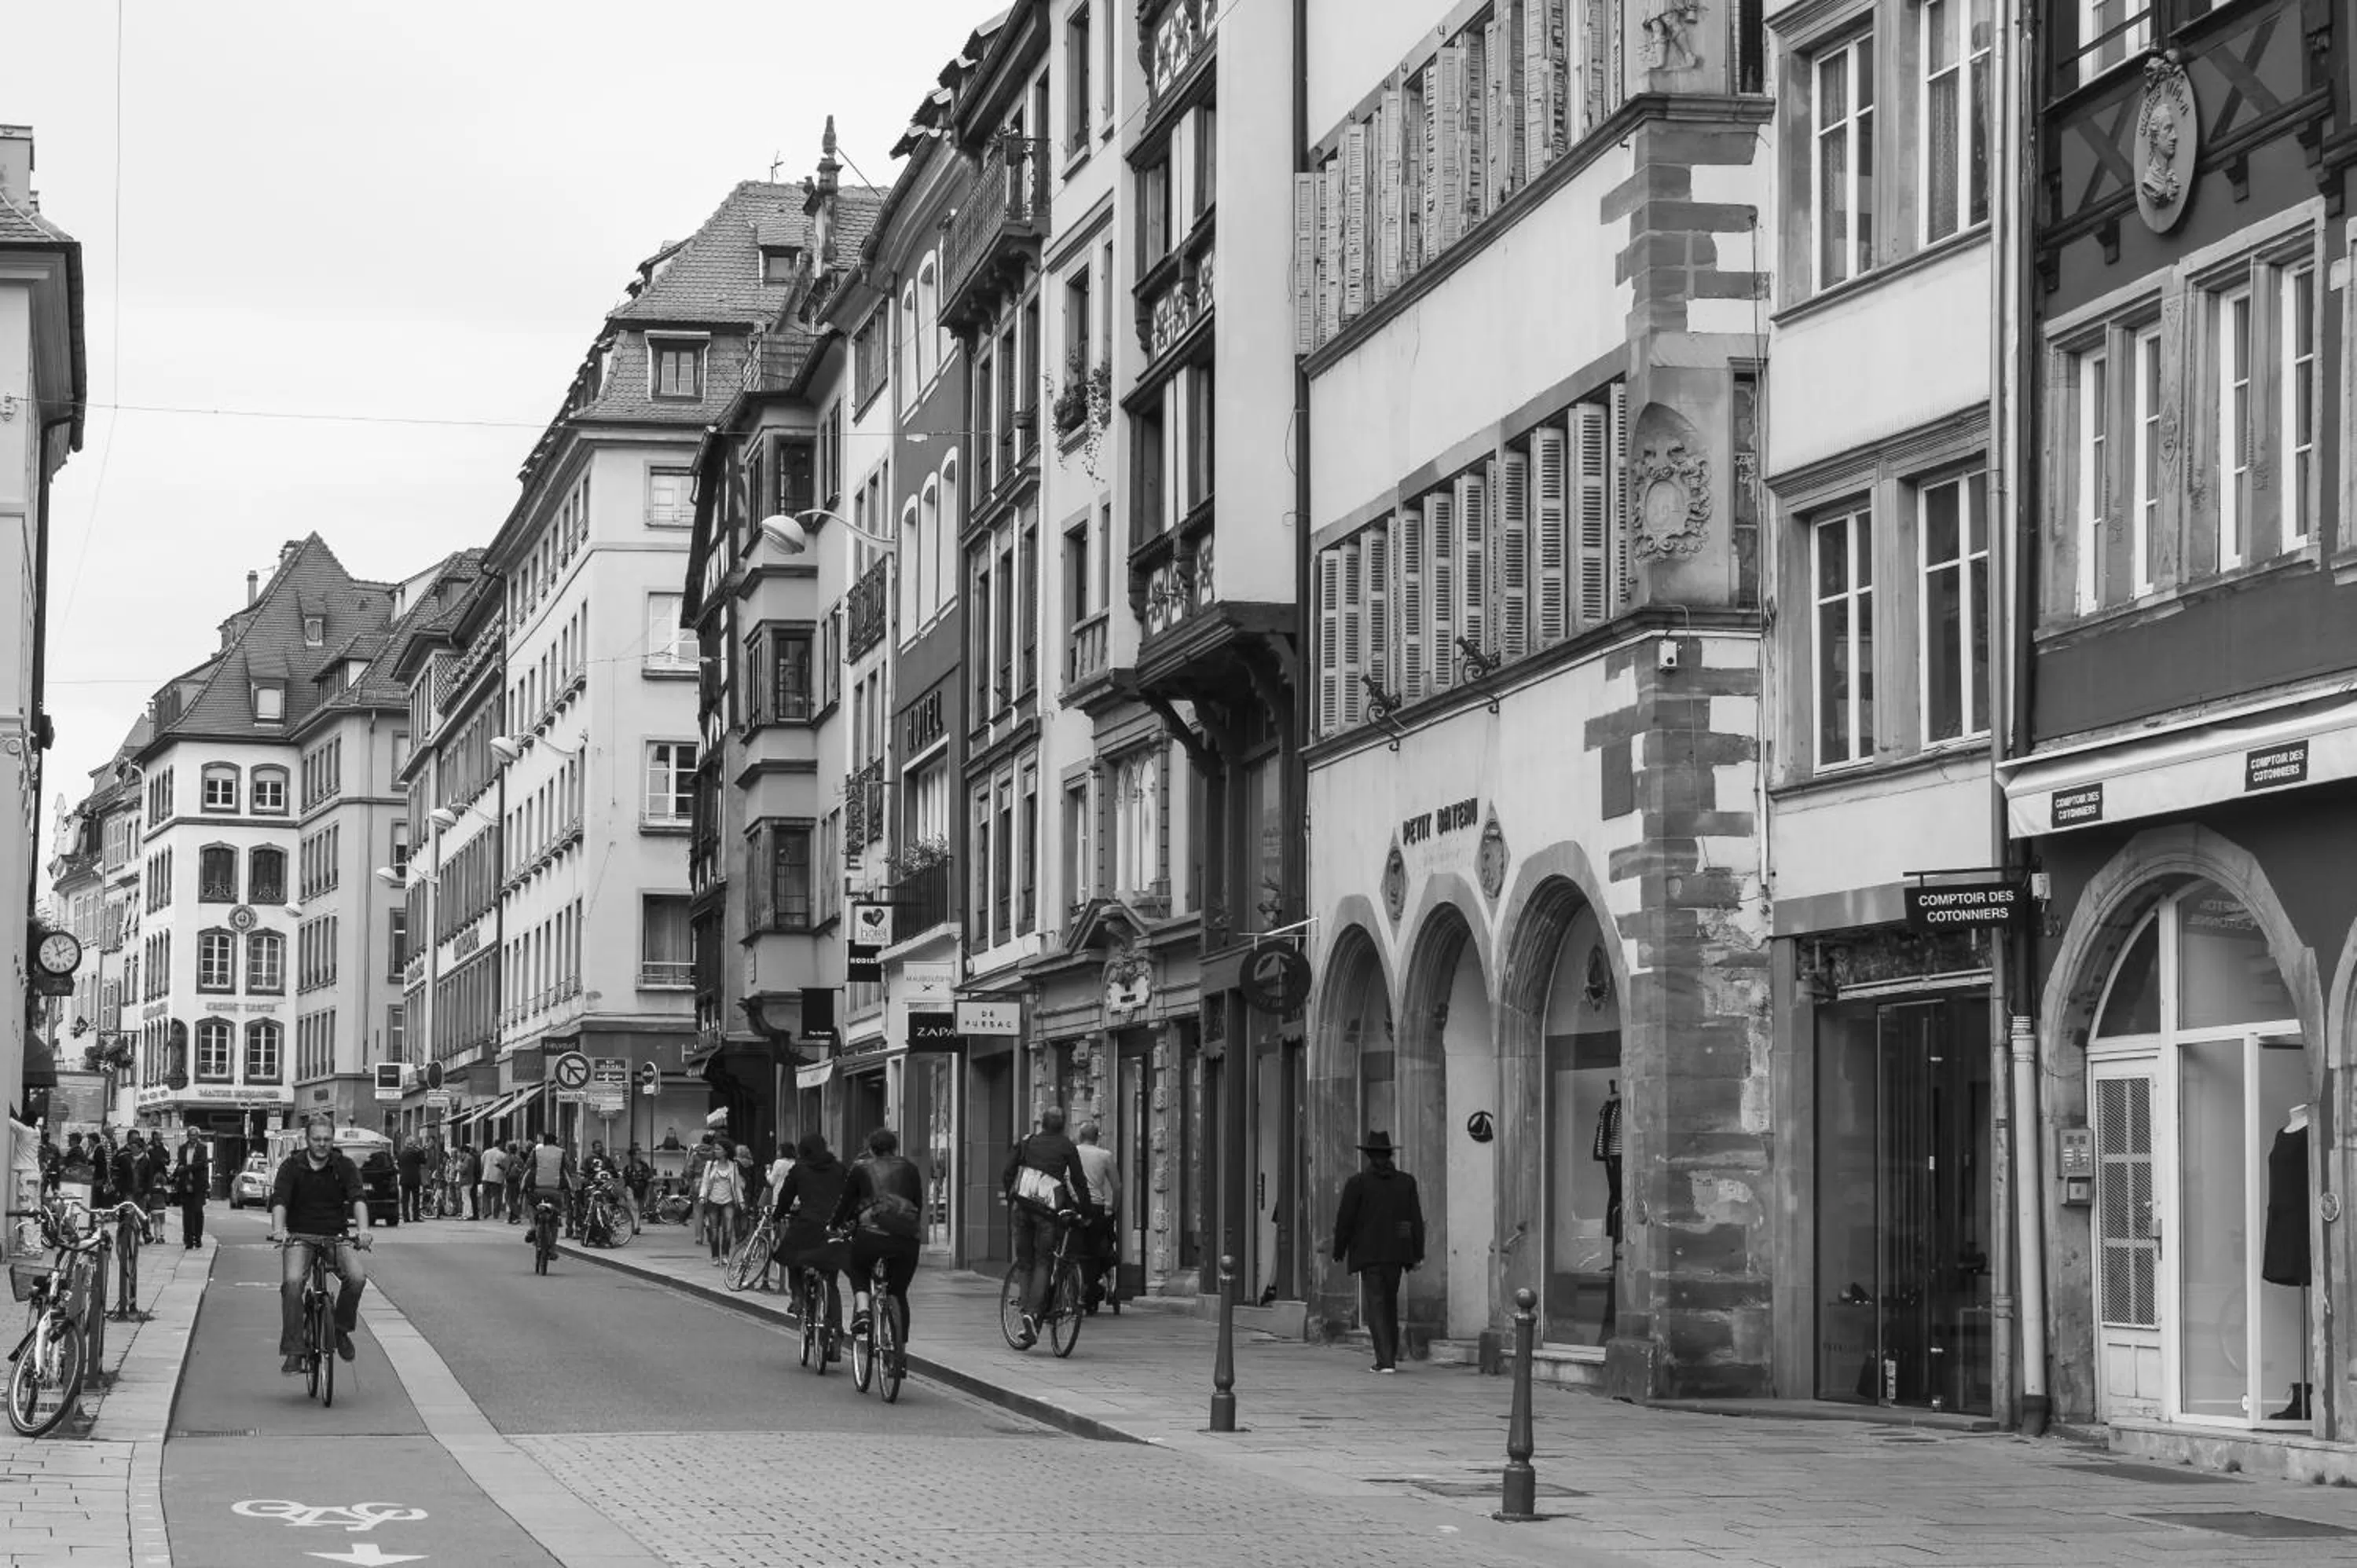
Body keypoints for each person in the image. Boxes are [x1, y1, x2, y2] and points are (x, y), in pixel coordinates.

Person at [267, 1116, 375, 1375]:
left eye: (327, 1139)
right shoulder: (292, 1166)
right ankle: (294, 1351)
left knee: (357, 1278)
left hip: (335, 1236)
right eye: (317, 1139)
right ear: (307, 1139)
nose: (322, 1144)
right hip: (300, 1237)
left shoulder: (344, 1165)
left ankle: (340, 1330)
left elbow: (358, 1198)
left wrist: (363, 1230)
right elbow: (280, 1200)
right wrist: (279, 1231)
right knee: (293, 1283)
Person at [1331, 1130, 1425, 1373]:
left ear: (1369, 1156)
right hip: (1396, 1254)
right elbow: (1414, 1219)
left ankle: (1385, 1360)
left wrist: (1339, 1250)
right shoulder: (1406, 1182)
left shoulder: (1358, 1184)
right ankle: (1389, 1354)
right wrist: (1417, 1253)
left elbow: (1345, 1220)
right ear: (1390, 1155)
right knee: (1389, 1303)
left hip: (1369, 1254)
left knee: (1376, 1305)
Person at [1000, 1106, 1092, 1350]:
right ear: (1063, 1126)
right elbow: (1079, 1182)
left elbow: (1008, 1171)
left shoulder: (1028, 1142)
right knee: (1044, 1262)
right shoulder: (1067, 1147)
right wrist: (1086, 1213)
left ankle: (1026, 1312)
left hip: (1022, 1207)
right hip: (1047, 1211)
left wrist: (1012, 1197)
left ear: (1042, 1123)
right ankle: (1033, 1314)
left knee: (1025, 1262)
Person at [832, 1127, 925, 1348]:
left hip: (871, 1234)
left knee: (858, 1268)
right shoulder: (910, 1168)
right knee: (898, 1293)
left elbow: (846, 1203)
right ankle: (900, 1351)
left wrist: (834, 1225)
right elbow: (918, 1203)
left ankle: (864, 1310)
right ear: (895, 1148)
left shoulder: (860, 1168)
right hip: (907, 1238)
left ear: (871, 1149)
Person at [772, 1134, 846, 1342]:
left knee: (792, 1256)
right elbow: (849, 1196)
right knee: (831, 1279)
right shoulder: (839, 1169)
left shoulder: (799, 1169)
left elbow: (785, 1197)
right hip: (832, 1226)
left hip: (807, 1225)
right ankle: (836, 1328)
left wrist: (777, 1216)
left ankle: (797, 1295)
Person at [1073, 1122, 1120, 1312]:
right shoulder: (1105, 1156)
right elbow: (1117, 1187)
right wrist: (1113, 1209)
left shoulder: (1072, 1152)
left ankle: (1076, 1288)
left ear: (1080, 1136)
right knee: (1095, 1250)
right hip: (1096, 1207)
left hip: (1076, 1205)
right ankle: (1092, 1288)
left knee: (1075, 1249)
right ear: (1097, 1138)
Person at [521, 1131, 573, 1253]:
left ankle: (533, 1227)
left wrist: (524, 1183)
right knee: (554, 1219)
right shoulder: (561, 1152)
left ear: (544, 1142)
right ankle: (553, 1248)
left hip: (537, 1190)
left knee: (531, 1205)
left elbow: (527, 1167)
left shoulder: (536, 1152)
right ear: (556, 1142)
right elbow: (569, 1168)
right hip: (555, 1191)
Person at [698, 1141, 744, 1265]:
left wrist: (741, 1201)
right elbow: (705, 1182)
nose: (715, 1151)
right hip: (713, 1201)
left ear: (725, 1151)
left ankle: (725, 1255)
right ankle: (715, 1256)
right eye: (715, 1149)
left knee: (728, 1230)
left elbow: (737, 1185)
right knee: (713, 1230)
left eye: (718, 1149)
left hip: (728, 1201)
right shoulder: (710, 1165)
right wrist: (702, 1196)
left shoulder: (733, 1166)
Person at [171, 1140, 209, 1248]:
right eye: (191, 1136)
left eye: (195, 1136)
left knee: (198, 1210)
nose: (193, 1138)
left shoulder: (202, 1148)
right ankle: (188, 1239)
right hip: (185, 1183)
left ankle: (198, 1237)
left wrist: (186, 1168)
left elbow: (202, 1163)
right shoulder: (182, 1148)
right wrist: (175, 1175)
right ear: (188, 1136)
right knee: (187, 1213)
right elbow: (180, 1164)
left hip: (199, 1184)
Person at [621, 1145, 652, 1234]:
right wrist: (626, 1189)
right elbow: (626, 1179)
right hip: (631, 1188)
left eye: (640, 1154)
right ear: (633, 1156)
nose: (640, 1156)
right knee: (634, 1207)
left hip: (642, 1189)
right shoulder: (628, 1167)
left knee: (639, 1208)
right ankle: (636, 1227)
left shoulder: (644, 1165)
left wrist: (649, 1183)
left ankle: (636, 1225)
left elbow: (648, 1176)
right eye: (638, 1154)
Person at [397, 1136, 427, 1222]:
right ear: (413, 1144)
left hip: (404, 1178)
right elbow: (424, 1161)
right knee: (416, 1199)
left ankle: (406, 1217)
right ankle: (416, 1216)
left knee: (405, 1199)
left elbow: (399, 1164)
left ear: (406, 1144)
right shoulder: (417, 1153)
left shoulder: (401, 1153)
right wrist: (421, 1150)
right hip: (414, 1178)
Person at [478, 1140, 508, 1223]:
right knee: (497, 1196)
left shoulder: (486, 1152)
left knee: (486, 1195)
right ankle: (496, 1214)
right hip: (497, 1178)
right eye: (503, 1145)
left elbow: (481, 1164)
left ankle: (487, 1211)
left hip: (486, 1176)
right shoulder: (502, 1155)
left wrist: (482, 1174)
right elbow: (506, 1167)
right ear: (500, 1144)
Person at [504, 1141, 526, 1223]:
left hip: (510, 1180)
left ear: (509, 1149)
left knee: (510, 1199)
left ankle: (516, 1216)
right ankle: (512, 1217)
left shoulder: (508, 1158)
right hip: (517, 1180)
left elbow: (506, 1169)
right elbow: (523, 1169)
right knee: (514, 1199)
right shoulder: (519, 1159)